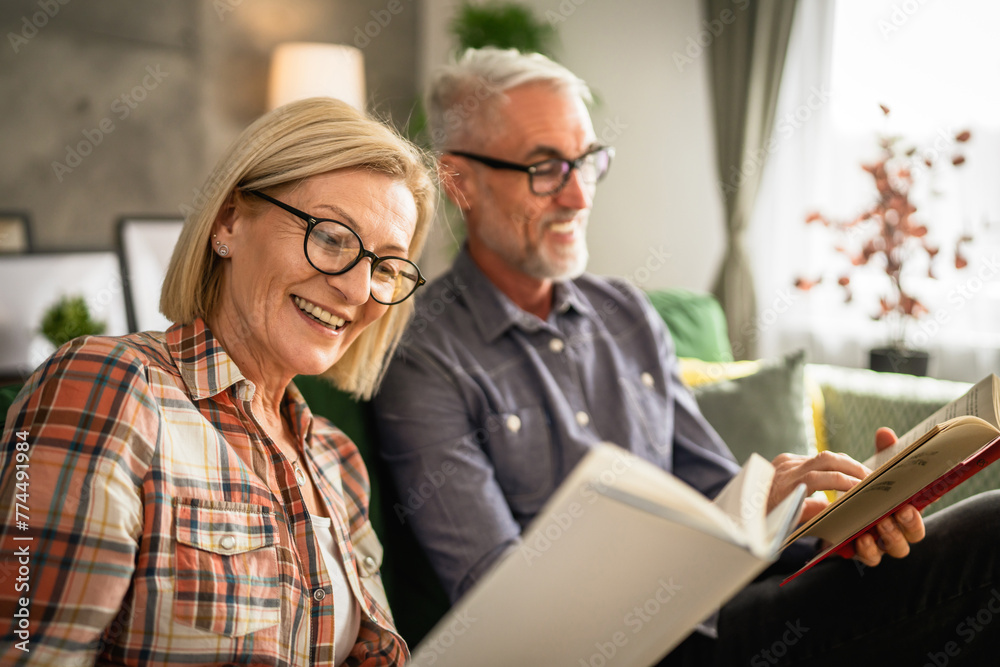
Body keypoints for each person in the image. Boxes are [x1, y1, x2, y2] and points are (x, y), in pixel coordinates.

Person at [371, 47, 1000, 665]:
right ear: (460, 182)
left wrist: (820, 524)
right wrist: (746, 510)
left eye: (586, 162)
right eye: (545, 169)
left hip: (738, 607)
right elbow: (503, 607)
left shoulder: (626, 313)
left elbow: (716, 492)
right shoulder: (422, 354)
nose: (579, 197)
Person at [0, 97, 434, 666]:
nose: (357, 289)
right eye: (331, 237)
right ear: (229, 222)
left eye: (385, 267)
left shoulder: (336, 459)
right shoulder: (112, 386)